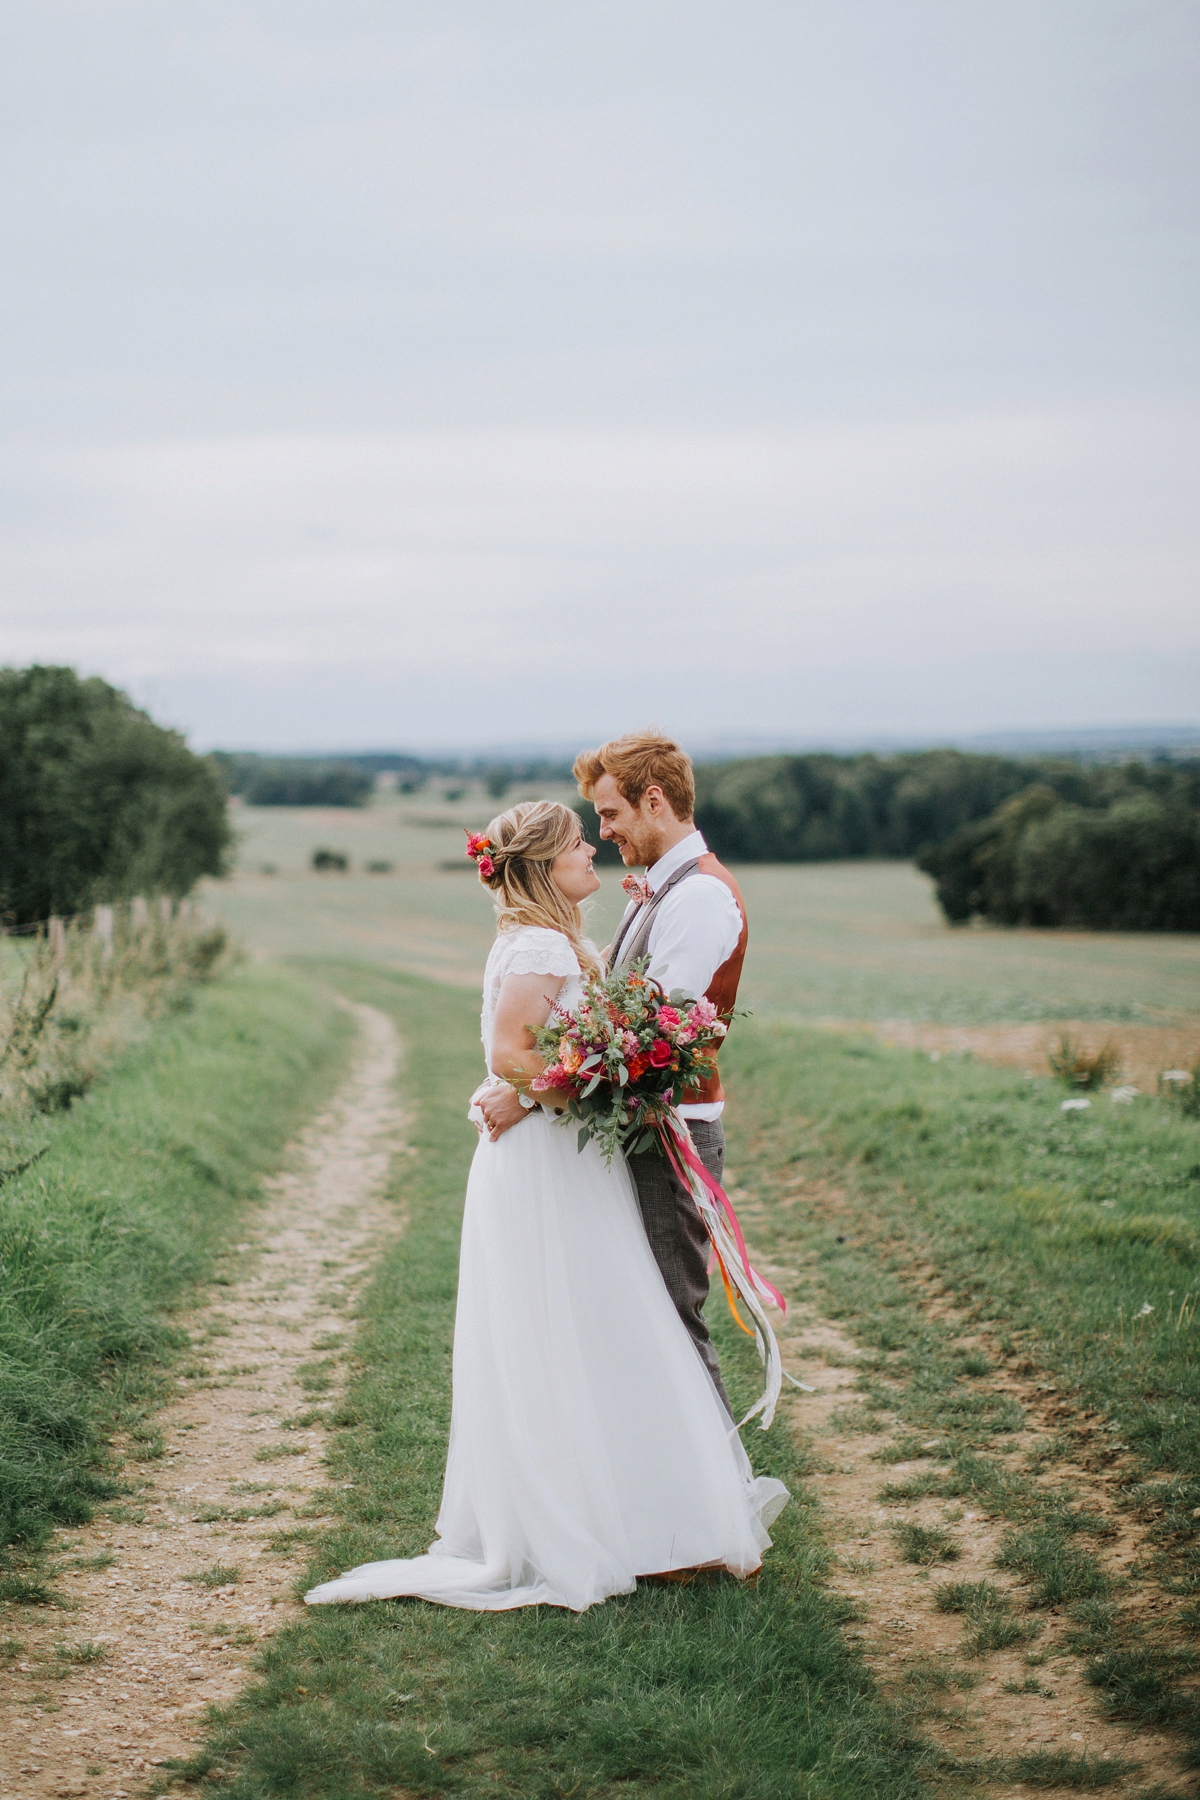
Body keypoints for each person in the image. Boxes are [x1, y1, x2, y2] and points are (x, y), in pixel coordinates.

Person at [305, 800, 786, 1613]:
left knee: (598, 1325)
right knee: (582, 1325)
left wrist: (539, 1092)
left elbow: (553, 1050)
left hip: (560, 1153)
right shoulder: (534, 942)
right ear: (539, 865)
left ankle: (643, 1518)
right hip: (543, 1166)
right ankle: (612, 1524)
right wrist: (529, 1098)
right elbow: (509, 1051)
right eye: (575, 843)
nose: (592, 848)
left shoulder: (555, 936)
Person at [481, 733, 745, 1418]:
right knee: (637, 1315)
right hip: (635, 1128)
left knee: (667, 1314)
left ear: (653, 801)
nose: (603, 834)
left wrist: (525, 1093)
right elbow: (605, 1017)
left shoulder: (697, 899)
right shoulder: (657, 892)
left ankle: (713, 1494)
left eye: (610, 814)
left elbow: (647, 1039)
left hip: (670, 1129)